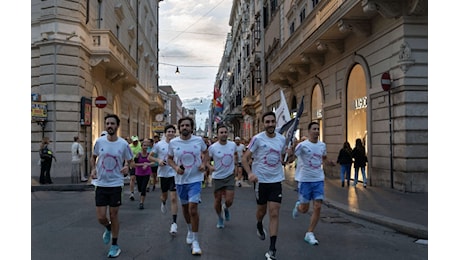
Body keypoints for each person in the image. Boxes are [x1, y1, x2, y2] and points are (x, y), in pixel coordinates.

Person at [241, 111, 286, 260]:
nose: (270, 124)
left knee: (274, 212)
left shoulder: (281, 139)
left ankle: (272, 249)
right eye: (267, 122)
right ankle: (259, 223)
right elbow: (244, 158)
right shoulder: (257, 139)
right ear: (263, 124)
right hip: (261, 182)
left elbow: (285, 160)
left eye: (272, 121)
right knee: (262, 211)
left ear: (275, 123)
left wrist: (290, 155)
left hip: (276, 180)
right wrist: (249, 174)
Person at [90, 114, 134, 258]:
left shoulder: (123, 144)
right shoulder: (100, 142)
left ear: (117, 126)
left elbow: (130, 161)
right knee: (101, 217)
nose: (109, 126)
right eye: (107, 123)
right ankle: (108, 228)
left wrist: (127, 166)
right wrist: (93, 169)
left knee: (113, 215)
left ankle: (115, 245)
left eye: (112, 123)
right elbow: (93, 156)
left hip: (116, 183)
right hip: (101, 183)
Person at [288, 121, 335, 246]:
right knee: (304, 209)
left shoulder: (322, 145)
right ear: (309, 131)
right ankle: (298, 206)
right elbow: (292, 158)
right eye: (314, 129)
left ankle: (310, 233)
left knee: (318, 206)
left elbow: (323, 158)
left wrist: (329, 162)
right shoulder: (302, 145)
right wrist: (291, 150)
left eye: (318, 129)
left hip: (318, 179)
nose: (316, 131)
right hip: (305, 180)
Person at [167, 117, 208, 256]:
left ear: (192, 127)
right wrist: (175, 167)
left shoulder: (198, 141)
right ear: (179, 128)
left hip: (195, 179)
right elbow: (169, 159)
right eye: (182, 125)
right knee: (185, 208)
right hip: (180, 180)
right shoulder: (173, 142)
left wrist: (204, 164)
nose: (185, 127)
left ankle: (196, 241)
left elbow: (206, 153)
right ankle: (190, 230)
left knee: (193, 208)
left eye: (187, 125)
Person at [207, 124, 238, 229]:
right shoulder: (213, 147)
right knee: (217, 200)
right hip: (217, 177)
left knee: (229, 200)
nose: (224, 134)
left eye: (225, 132)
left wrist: (236, 167)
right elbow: (206, 160)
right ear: (217, 134)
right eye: (221, 132)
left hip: (229, 176)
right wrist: (210, 167)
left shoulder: (232, 145)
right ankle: (220, 218)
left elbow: (235, 156)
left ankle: (225, 208)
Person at [152, 125, 179, 235]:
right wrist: (158, 160)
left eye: (173, 131)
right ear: (165, 133)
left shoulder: (178, 143)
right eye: (169, 131)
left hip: (174, 173)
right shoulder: (159, 145)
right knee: (164, 195)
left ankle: (174, 223)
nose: (171, 133)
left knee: (173, 198)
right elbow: (150, 157)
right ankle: (163, 202)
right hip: (163, 174)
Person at [133, 139, 154, 209]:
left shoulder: (149, 154)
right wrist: (143, 164)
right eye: (144, 146)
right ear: (141, 146)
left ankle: (141, 203)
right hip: (139, 173)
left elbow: (154, 162)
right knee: (139, 188)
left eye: (147, 146)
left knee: (143, 187)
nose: (146, 147)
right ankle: (141, 196)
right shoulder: (138, 155)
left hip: (147, 173)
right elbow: (134, 164)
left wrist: (147, 164)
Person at [129, 136, 142, 200]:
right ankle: (132, 193)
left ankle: (140, 191)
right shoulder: (129, 146)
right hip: (133, 164)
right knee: (132, 178)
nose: (135, 142)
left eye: (136, 141)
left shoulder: (140, 145)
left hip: (140, 164)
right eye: (134, 141)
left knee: (139, 179)